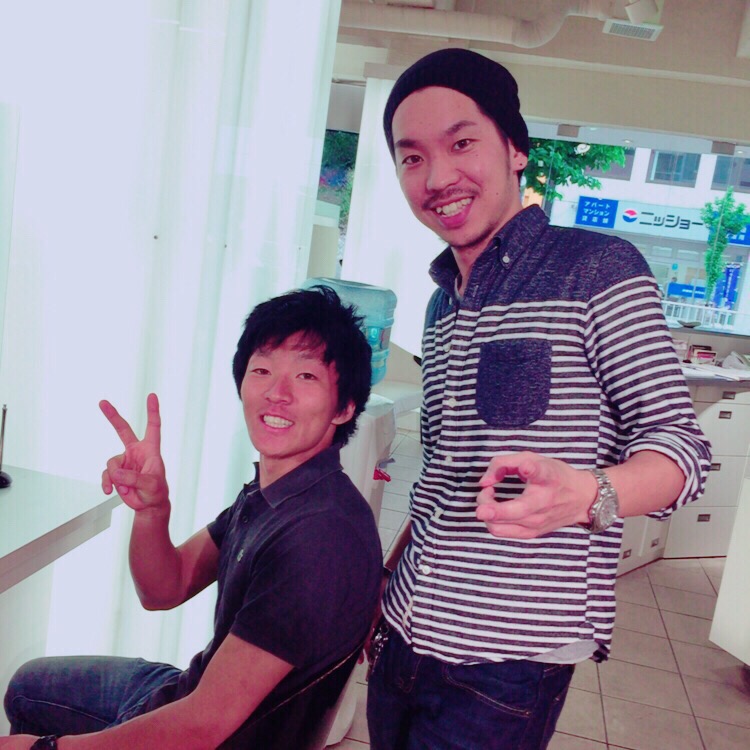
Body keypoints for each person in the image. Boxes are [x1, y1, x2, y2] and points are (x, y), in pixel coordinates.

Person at [365, 48, 712, 750]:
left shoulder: (597, 268)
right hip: (403, 630)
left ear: (515, 148)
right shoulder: (441, 303)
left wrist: (587, 495)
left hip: (505, 666)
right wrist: (389, 583)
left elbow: (683, 451)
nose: (437, 176)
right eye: (412, 157)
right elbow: (442, 478)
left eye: (462, 143)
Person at [2, 286, 382, 750]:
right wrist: (152, 510)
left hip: (214, 734)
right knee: (27, 686)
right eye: (262, 370)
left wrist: (44, 748)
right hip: (188, 693)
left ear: (344, 407)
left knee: (28, 716)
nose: (276, 394)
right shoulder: (279, 494)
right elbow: (164, 588)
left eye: (305, 376)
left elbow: (202, 727)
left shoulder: (318, 534)